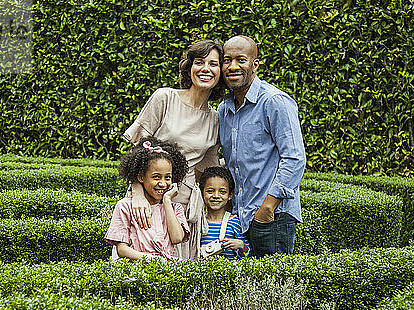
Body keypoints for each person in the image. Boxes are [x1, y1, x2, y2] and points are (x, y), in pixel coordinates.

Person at [124, 39, 225, 260]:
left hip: (184, 205)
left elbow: (207, 170)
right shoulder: (165, 98)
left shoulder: (215, 118)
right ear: (189, 68)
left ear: (221, 72)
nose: (206, 69)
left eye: (213, 64)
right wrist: (137, 194)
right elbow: (136, 151)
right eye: (200, 62)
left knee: (177, 268)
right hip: (148, 198)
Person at [218, 35, 306, 256]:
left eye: (241, 60)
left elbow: (294, 158)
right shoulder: (224, 109)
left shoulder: (274, 102)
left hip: (272, 217)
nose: (233, 66)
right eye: (227, 60)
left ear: (254, 65)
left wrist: (267, 208)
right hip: (240, 218)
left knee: (273, 287)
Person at [104, 137, 190, 261]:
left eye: (168, 177)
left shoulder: (175, 208)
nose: (162, 183)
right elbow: (121, 249)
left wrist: (167, 200)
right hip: (135, 270)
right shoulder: (125, 206)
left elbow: (177, 238)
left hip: (165, 271)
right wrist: (150, 259)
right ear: (141, 177)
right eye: (156, 177)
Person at [198, 166, 249, 260]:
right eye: (210, 191)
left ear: (230, 195)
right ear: (201, 192)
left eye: (222, 192)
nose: (216, 196)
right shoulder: (198, 223)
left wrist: (241, 246)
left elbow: (247, 256)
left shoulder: (235, 222)